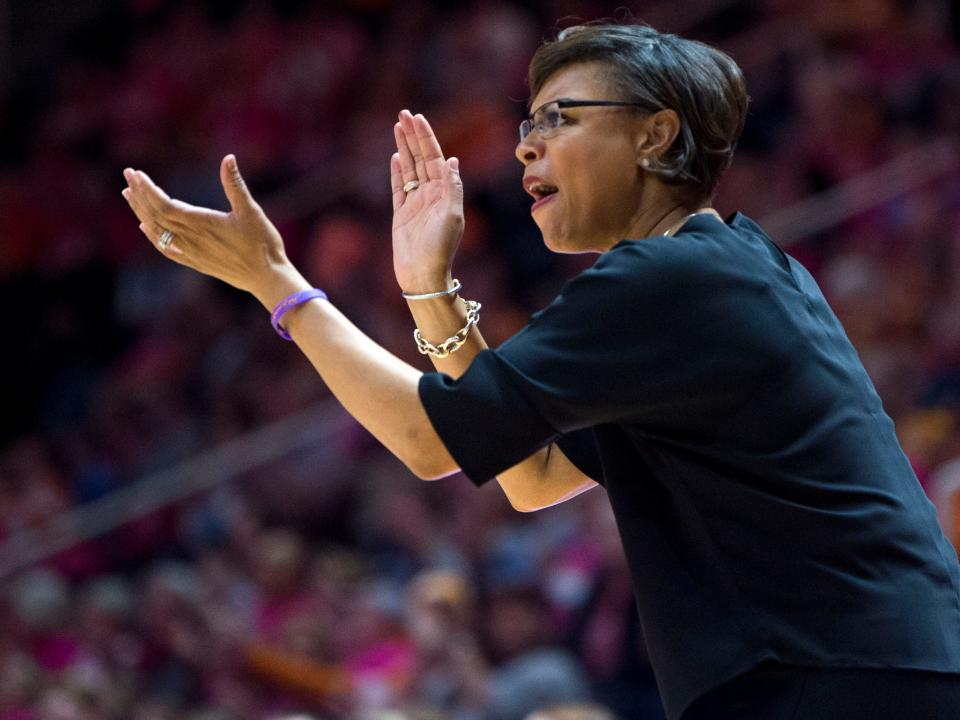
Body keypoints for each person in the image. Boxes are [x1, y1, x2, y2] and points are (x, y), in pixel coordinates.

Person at [121, 21, 960, 720]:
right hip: (866, 665)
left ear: (655, 134)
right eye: (527, 125)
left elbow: (426, 439)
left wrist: (278, 282)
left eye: (560, 118)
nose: (526, 146)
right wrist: (429, 290)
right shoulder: (720, 269)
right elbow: (533, 475)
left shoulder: (667, 280)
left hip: (836, 676)